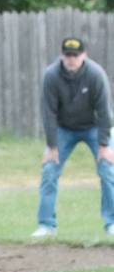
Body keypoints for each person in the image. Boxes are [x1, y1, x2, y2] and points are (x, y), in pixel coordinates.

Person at [32, 37, 114, 238]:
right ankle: (46, 225)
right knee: (49, 170)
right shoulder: (51, 75)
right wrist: (52, 146)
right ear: (62, 56)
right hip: (64, 128)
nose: (71, 60)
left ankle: (112, 223)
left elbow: (104, 112)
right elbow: (48, 112)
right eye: (67, 55)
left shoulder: (96, 74)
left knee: (107, 169)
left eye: (75, 56)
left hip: (95, 127)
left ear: (83, 56)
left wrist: (104, 146)